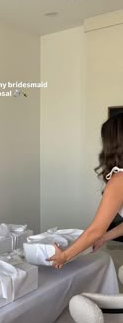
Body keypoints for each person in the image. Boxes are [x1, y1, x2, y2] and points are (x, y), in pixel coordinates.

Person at [47, 113, 123, 269]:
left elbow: (95, 230)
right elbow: (99, 233)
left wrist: (64, 256)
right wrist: (105, 237)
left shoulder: (120, 179)